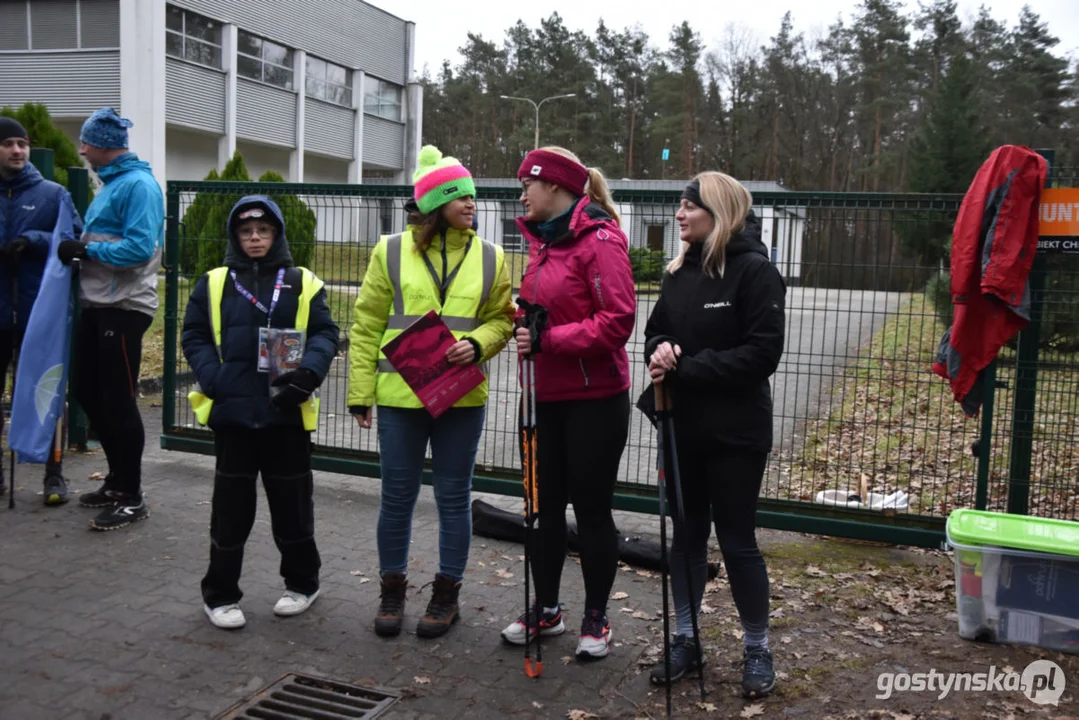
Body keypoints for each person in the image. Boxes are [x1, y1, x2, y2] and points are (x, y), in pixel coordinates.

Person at [348, 145, 513, 640]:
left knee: (453, 498)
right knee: (396, 497)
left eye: (473, 197)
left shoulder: (492, 256)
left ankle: (446, 594)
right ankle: (392, 590)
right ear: (437, 201)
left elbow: (503, 319)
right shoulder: (390, 250)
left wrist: (477, 344)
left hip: (460, 399)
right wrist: (360, 392)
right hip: (400, 397)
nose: (471, 204)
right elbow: (367, 323)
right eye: (460, 196)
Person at [639, 172, 786, 698]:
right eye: (679, 205)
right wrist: (660, 350)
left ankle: (757, 647)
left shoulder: (755, 272)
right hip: (682, 426)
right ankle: (686, 637)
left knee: (738, 541)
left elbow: (762, 354)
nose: (679, 215)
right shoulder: (680, 271)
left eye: (688, 206)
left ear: (716, 212)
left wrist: (688, 368)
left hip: (737, 433)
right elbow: (657, 328)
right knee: (687, 537)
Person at [499, 146, 636, 660]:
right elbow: (552, 309)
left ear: (553, 186)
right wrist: (524, 320)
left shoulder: (599, 240)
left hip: (594, 401)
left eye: (526, 184)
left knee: (593, 510)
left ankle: (596, 617)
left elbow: (618, 321)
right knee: (540, 510)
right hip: (540, 399)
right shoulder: (543, 243)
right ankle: (548, 609)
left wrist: (549, 339)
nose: (521, 194)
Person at [181, 196, 339, 630]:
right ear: (236, 236)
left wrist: (308, 374)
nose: (255, 238)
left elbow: (326, 332)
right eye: (247, 232)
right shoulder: (214, 282)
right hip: (233, 416)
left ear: (277, 235)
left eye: (263, 231)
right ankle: (221, 595)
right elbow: (193, 334)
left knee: (293, 508)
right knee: (230, 512)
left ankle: (303, 584)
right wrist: (213, 378)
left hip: (285, 413)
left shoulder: (302, 281)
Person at [56, 107, 163, 531]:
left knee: (117, 399)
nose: (81, 149)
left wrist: (86, 252)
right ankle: (117, 480)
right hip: (99, 304)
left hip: (124, 307)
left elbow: (139, 250)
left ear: (101, 145)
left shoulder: (138, 186)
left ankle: (131, 495)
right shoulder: (115, 184)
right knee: (85, 389)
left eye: (85, 142)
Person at [0, 117, 83, 504]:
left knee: (44, 390)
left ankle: (54, 475)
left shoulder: (52, 194)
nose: (17, 150)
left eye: (22, 143)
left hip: (38, 313)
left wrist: (33, 240)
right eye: (8, 144)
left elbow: (72, 239)